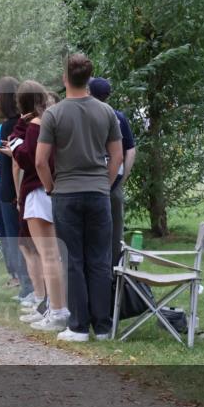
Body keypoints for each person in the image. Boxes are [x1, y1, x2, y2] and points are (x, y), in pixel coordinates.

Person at [36, 54, 122, 342]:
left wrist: (51, 187)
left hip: (67, 192)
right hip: (98, 192)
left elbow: (40, 161)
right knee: (100, 258)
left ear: (65, 78)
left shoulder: (54, 114)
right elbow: (117, 156)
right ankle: (103, 325)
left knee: (72, 259)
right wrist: (105, 184)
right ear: (89, 78)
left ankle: (79, 326)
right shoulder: (106, 112)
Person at [7, 80, 68, 330]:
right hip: (54, 189)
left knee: (48, 256)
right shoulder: (54, 122)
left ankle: (57, 311)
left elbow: (28, 159)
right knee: (53, 255)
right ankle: (54, 307)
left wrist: (14, 142)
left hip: (38, 189)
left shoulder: (34, 125)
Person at [0, 77, 34, 301]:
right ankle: (27, 285)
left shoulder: (11, 126)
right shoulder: (19, 123)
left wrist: (16, 194)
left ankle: (28, 286)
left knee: (18, 240)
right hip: (11, 189)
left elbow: (16, 163)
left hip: (12, 191)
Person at [88, 77, 137, 264]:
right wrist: (122, 179)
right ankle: (115, 272)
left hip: (91, 182)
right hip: (114, 180)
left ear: (89, 93)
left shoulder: (86, 116)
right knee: (115, 231)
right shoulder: (118, 117)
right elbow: (130, 150)